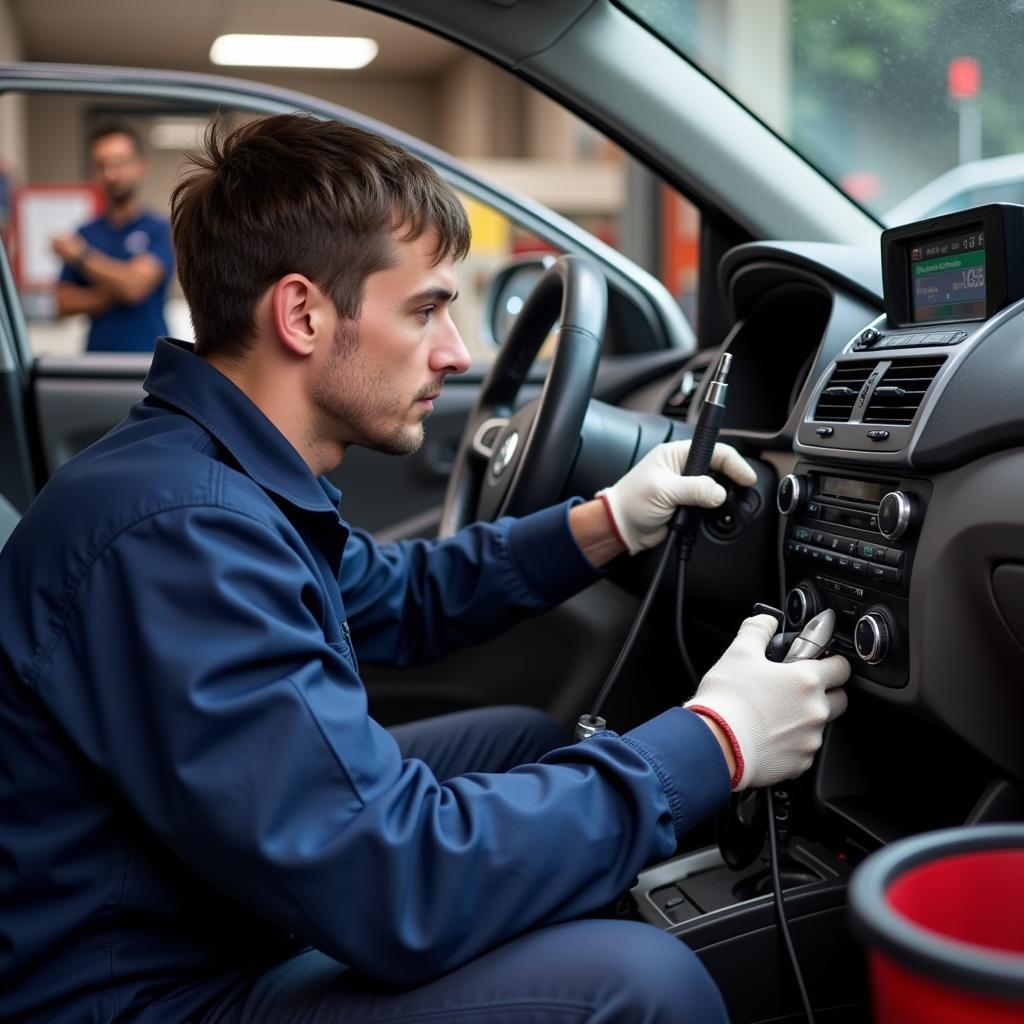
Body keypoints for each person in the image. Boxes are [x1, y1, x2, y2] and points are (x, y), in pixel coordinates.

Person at [0, 114, 850, 1023]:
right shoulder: (178, 534)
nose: (457, 352)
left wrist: (607, 521)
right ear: (301, 314)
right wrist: (718, 743)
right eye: (426, 308)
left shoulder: (212, 472)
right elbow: (396, 881)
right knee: (643, 985)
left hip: (200, 907)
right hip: (147, 994)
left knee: (522, 742)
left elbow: (395, 598)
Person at [51, 122, 173, 352]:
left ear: (140, 166)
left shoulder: (160, 229)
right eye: (101, 165)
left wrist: (81, 256)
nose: (111, 173)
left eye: (119, 163)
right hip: (97, 364)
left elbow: (134, 287)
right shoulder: (85, 232)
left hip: (152, 362)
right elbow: (62, 304)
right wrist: (121, 286)